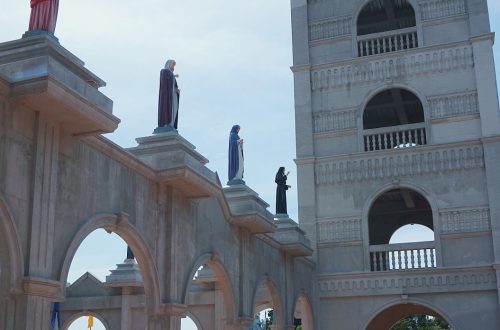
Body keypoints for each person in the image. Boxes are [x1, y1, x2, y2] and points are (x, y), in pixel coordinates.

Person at [157, 59, 180, 130]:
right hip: (167, 96)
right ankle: (166, 123)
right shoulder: (164, 71)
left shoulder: (171, 74)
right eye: (173, 64)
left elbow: (174, 85)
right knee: (167, 108)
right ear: (169, 64)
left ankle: (171, 123)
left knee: (174, 109)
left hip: (173, 95)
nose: (173, 67)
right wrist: (173, 76)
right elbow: (165, 81)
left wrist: (177, 90)